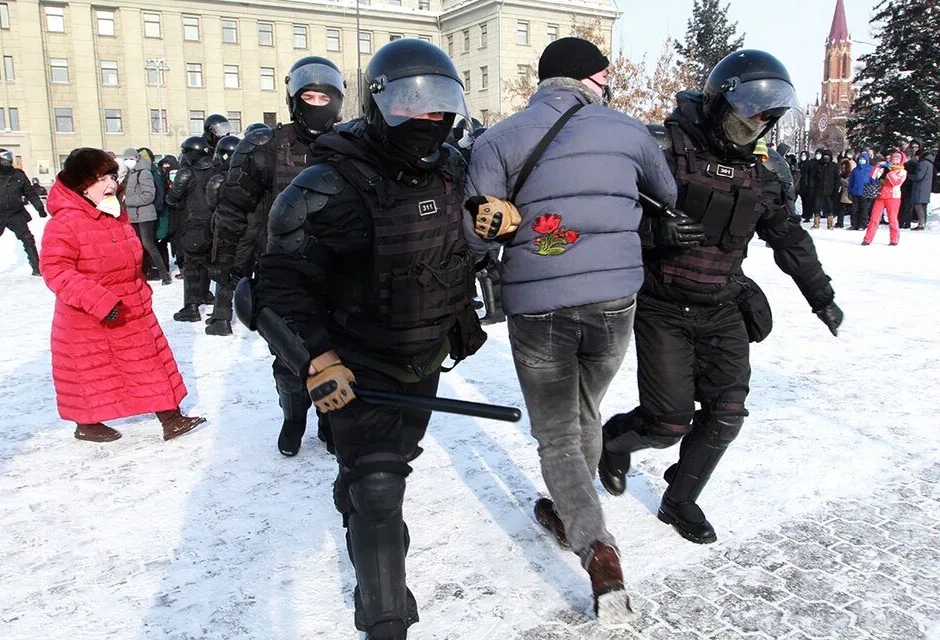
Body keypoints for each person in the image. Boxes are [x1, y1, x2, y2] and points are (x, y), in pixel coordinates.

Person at [254, 38, 483, 640]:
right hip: (355, 363)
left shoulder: (456, 168)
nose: (427, 119)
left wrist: (494, 219)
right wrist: (314, 359)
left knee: (386, 471)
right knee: (380, 490)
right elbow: (273, 290)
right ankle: (384, 613)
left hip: (425, 354)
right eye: (412, 105)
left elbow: (452, 244)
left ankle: (356, 493)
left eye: (439, 107)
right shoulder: (324, 185)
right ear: (380, 104)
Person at [462, 36, 678, 626]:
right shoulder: (631, 131)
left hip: (536, 304)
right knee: (584, 409)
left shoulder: (496, 139)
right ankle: (577, 521)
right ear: (591, 78)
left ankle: (595, 548)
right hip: (613, 298)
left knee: (560, 431)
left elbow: (476, 234)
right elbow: (668, 196)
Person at [598, 50, 843, 545]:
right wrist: (654, 230)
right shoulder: (662, 148)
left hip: (724, 305)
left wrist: (821, 296)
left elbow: (789, 237)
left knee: (726, 414)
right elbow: (603, 213)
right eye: (746, 114)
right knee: (668, 422)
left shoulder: (767, 170)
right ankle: (613, 442)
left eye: (765, 119)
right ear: (718, 105)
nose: (754, 126)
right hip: (663, 306)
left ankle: (680, 498)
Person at [212, 56, 345, 456]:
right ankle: (294, 417)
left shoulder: (349, 146)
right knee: (289, 360)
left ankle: (329, 419)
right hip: (282, 272)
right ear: (293, 98)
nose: (316, 102)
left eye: (324, 96)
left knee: (337, 353)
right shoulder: (266, 147)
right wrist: (227, 265)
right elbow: (234, 208)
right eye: (309, 95)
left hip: (337, 271)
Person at [40, 148, 205, 442]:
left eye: (112, 176)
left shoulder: (113, 214)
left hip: (130, 305)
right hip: (89, 314)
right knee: (91, 371)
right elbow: (56, 271)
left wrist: (140, 288)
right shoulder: (64, 224)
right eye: (102, 178)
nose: (111, 184)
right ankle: (86, 424)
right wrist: (98, 301)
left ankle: (171, 417)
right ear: (82, 184)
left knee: (150, 362)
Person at [169, 136, 216, 320]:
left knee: (191, 266)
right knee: (206, 262)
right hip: (213, 223)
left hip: (194, 223)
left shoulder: (187, 173)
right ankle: (204, 293)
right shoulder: (216, 170)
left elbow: (173, 197)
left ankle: (191, 307)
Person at [0, 148, 47, 275]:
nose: (8, 160)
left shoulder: (18, 174)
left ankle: (37, 269)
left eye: (9, 157)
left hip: (15, 213)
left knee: (28, 239)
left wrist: (40, 208)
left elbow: (30, 193)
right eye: (5, 158)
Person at [202, 134, 240, 336]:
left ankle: (223, 319)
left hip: (226, 229)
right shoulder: (247, 175)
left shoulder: (219, 178)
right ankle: (219, 313)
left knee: (224, 274)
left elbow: (211, 202)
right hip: (246, 231)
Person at [121, 148, 172, 285]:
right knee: (138, 245)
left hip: (145, 215)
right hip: (135, 215)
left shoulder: (144, 172)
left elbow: (148, 195)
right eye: (126, 159)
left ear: (136, 159)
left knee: (148, 244)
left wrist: (129, 201)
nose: (128, 162)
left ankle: (164, 274)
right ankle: (142, 273)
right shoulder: (133, 172)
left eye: (130, 159)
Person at [863, 150, 907, 246]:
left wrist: (891, 171)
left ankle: (894, 239)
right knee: (874, 218)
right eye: (893, 157)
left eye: (897, 158)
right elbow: (873, 176)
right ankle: (867, 239)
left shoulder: (902, 171)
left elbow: (895, 182)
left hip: (893, 197)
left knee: (892, 219)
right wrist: (878, 166)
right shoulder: (885, 168)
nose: (895, 159)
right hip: (881, 196)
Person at [848, 152, 875, 230]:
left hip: (866, 192)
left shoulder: (871, 169)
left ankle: (862, 225)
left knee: (864, 210)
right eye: (860, 159)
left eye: (863, 159)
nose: (861, 160)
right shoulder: (855, 170)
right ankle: (854, 224)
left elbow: (873, 181)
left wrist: (872, 192)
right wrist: (849, 191)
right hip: (855, 192)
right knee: (854, 210)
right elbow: (851, 182)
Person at [812, 149, 839, 229]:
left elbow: (837, 178)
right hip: (818, 190)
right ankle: (816, 223)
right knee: (817, 207)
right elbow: (813, 178)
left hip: (830, 190)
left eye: (827, 156)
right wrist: (812, 188)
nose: (826, 157)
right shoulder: (817, 165)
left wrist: (836, 189)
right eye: (824, 156)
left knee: (830, 207)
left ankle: (830, 224)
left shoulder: (834, 166)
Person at [909, 148, 934, 230]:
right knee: (923, 206)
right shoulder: (930, 163)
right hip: (926, 188)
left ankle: (921, 224)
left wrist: (909, 176)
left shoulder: (923, 163)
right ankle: (923, 223)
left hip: (920, 188)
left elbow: (919, 176)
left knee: (918, 205)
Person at [835, 157, 853, 228]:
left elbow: (849, 183)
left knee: (851, 210)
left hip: (848, 194)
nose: (843, 169)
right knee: (841, 209)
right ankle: (840, 223)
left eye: (844, 167)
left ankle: (853, 223)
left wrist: (842, 180)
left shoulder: (850, 175)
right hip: (842, 194)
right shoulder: (840, 175)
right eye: (842, 167)